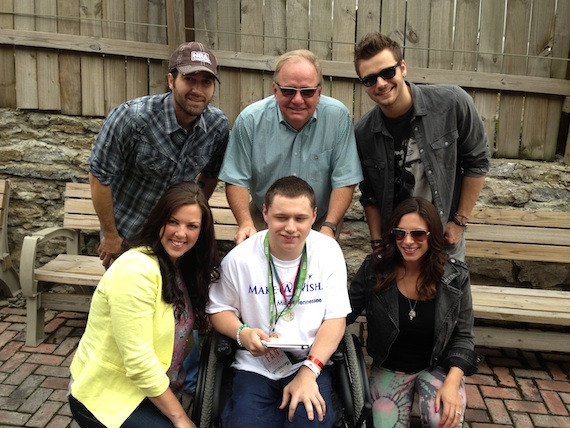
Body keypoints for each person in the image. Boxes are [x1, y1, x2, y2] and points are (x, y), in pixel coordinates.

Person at [68, 182, 220, 428]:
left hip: (150, 391)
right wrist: (180, 418)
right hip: (109, 395)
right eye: (173, 221)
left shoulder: (180, 266)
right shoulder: (136, 270)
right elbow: (139, 362)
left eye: (192, 226)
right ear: (158, 220)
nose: (181, 233)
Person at [207, 176, 351, 427]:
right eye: (281, 217)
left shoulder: (328, 252)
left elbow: (336, 318)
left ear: (314, 215)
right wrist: (242, 332)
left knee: (311, 421)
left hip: (309, 361)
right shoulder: (239, 258)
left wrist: (310, 371)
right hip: (256, 365)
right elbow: (219, 308)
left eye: (300, 218)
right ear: (265, 213)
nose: (290, 228)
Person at [89, 41, 229, 268]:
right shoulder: (131, 118)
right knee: (129, 300)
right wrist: (111, 236)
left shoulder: (217, 125)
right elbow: (99, 177)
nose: (197, 90)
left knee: (173, 300)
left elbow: (211, 175)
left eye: (206, 82)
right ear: (171, 81)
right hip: (129, 233)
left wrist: (191, 220)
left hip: (176, 238)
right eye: (189, 79)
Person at [353, 32, 490, 260]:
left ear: (403, 67)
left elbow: (477, 162)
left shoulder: (452, 103)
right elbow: (369, 195)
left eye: (388, 72)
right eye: (370, 79)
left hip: (443, 241)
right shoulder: (364, 132)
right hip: (396, 244)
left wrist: (458, 222)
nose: (381, 83)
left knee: (447, 296)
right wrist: (378, 243)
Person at [348, 197, 483, 428]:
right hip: (391, 366)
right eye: (400, 233)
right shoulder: (375, 268)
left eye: (418, 234)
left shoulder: (454, 276)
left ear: (433, 236)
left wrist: (452, 383)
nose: (408, 241)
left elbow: (463, 336)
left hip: (437, 366)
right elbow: (343, 313)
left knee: (442, 420)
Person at [218, 49, 363, 244]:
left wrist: (330, 226)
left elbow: (344, 179)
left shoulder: (338, 118)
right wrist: (245, 223)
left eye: (307, 92)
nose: (297, 100)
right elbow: (236, 178)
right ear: (275, 90)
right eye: (288, 91)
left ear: (319, 92)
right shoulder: (250, 120)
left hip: (319, 223)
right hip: (264, 222)